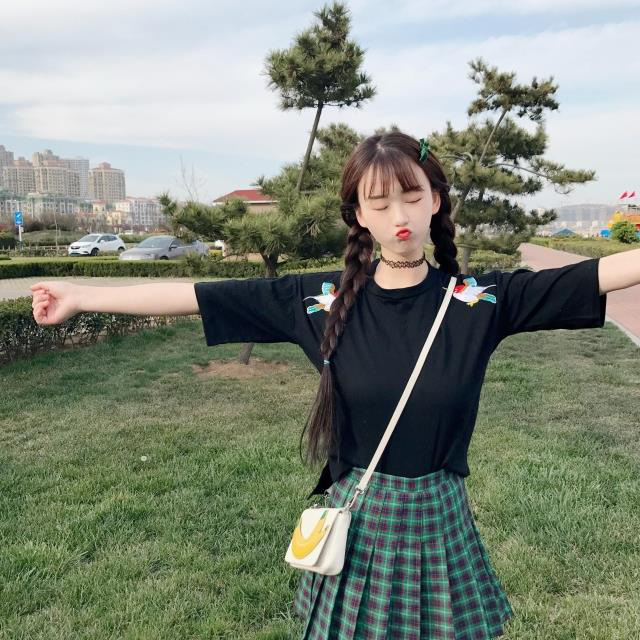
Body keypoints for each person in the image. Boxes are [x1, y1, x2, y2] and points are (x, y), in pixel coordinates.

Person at [31, 131, 637, 639]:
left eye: (412, 196)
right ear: (358, 214)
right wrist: (82, 296)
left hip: (439, 521)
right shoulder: (320, 300)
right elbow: (198, 296)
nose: (398, 216)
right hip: (361, 523)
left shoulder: (479, 301)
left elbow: (597, 274)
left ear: (435, 201)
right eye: (379, 202)